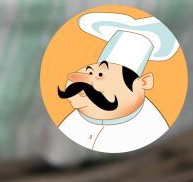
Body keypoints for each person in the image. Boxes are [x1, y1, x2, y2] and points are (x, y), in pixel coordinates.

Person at [57, 12, 181, 153]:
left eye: (101, 75)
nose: (84, 81)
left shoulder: (150, 128)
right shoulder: (73, 119)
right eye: (89, 71)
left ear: (143, 83)